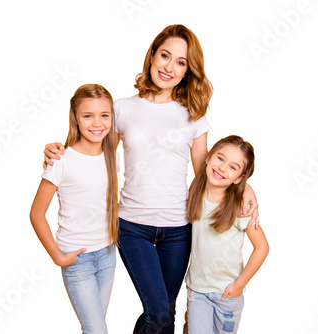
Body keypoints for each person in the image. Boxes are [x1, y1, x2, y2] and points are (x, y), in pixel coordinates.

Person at [43, 25, 260, 333]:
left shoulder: (193, 115)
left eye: (181, 62)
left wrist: (246, 185)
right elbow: (94, 154)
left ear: (188, 71)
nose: (169, 67)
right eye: (165, 56)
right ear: (152, 56)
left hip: (178, 230)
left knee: (167, 316)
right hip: (132, 228)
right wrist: (57, 149)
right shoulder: (122, 109)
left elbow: (207, 171)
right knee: (157, 313)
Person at [30, 83, 119, 333]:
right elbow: (36, 214)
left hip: (107, 255)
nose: (97, 123)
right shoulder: (60, 161)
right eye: (87, 116)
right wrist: (58, 257)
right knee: (97, 331)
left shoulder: (113, 156)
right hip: (77, 259)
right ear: (75, 118)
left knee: (93, 328)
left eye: (104, 115)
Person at [184, 135, 269, 333]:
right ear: (208, 157)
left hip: (227, 294)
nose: (222, 168)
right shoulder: (194, 192)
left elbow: (262, 247)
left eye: (233, 167)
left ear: (239, 178)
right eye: (220, 158)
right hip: (198, 292)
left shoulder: (241, 206)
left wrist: (239, 285)